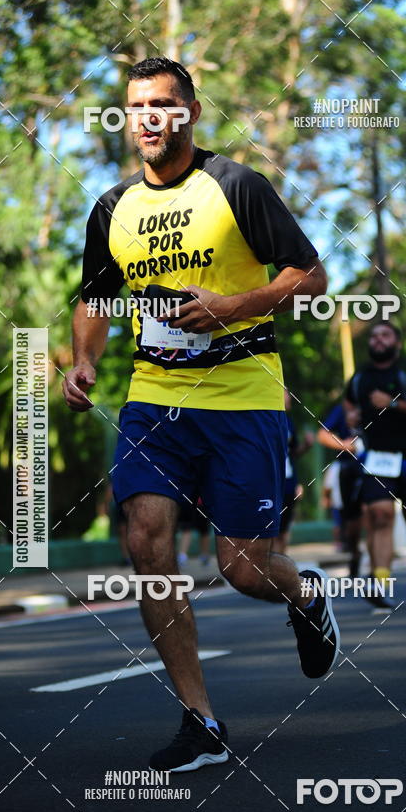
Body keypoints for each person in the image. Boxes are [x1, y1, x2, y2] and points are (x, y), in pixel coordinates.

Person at [62, 56, 339, 773]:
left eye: (162, 104)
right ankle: (201, 722)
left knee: (243, 568)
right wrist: (85, 359)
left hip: (242, 396)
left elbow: (311, 276)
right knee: (147, 539)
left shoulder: (236, 186)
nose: (148, 117)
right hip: (154, 397)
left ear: (188, 111)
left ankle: (305, 595)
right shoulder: (112, 208)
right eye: (135, 106)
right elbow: (95, 297)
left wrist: (231, 306)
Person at [344, 321, 406, 604]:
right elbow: (349, 404)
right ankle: (381, 585)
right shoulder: (360, 376)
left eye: (385, 335)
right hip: (377, 459)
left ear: (396, 342)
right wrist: (352, 417)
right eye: (373, 336)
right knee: (380, 515)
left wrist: (394, 404)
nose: (378, 340)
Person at [317, 402, 363, 577]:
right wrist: (344, 445)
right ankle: (355, 553)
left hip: (377, 467)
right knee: (352, 521)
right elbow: (322, 434)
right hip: (349, 470)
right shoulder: (344, 407)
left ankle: (380, 575)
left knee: (377, 512)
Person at [272, 388, 314, 555]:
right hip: (271, 481)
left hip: (289, 480)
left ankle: (281, 563)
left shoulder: (288, 422)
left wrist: (306, 445)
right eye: (285, 393)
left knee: (284, 529)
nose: (289, 397)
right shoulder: (266, 420)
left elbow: (293, 452)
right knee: (272, 529)